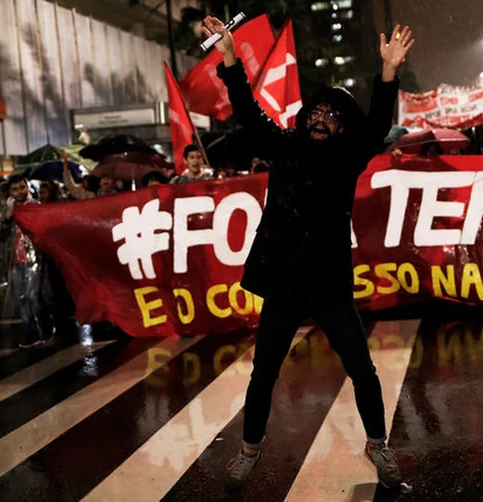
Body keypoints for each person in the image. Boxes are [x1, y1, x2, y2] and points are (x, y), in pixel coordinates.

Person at [205, 15, 413, 492]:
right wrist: (231, 58)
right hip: (284, 284)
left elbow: (378, 123)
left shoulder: (348, 158)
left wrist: (387, 75)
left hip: (331, 286)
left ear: (344, 128)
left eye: (332, 115)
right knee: (263, 373)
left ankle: (378, 444)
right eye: (315, 112)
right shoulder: (283, 147)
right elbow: (246, 109)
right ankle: (249, 450)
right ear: (304, 119)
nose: (321, 118)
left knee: (362, 369)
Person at [0, 176, 53, 348]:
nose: (19, 192)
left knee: (34, 296)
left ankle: (45, 329)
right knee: (22, 298)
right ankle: (30, 333)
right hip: (14, 260)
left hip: (35, 258)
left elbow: (46, 229)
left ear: (27, 187)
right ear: (10, 191)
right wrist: (7, 217)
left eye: (22, 187)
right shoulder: (7, 209)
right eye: (15, 189)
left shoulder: (36, 207)